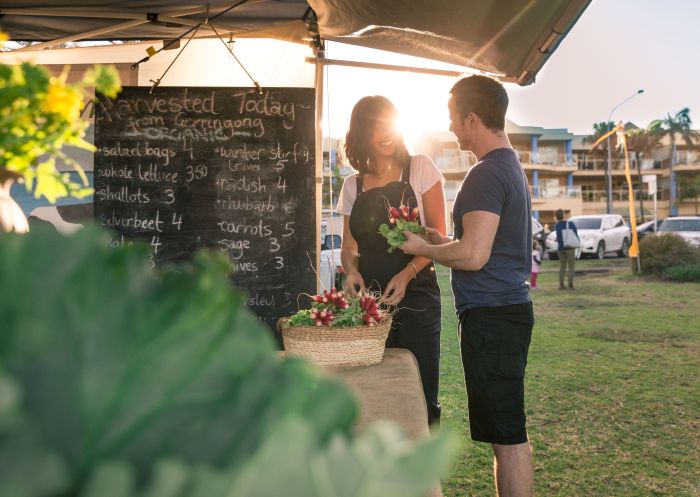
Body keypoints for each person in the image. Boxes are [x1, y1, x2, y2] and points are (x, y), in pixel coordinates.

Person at [401, 75, 534, 497]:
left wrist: (423, 247)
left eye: (454, 120)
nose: (452, 129)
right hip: (505, 313)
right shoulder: (508, 166)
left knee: (506, 437)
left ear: (473, 118)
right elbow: (482, 247)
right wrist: (442, 243)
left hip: (493, 318)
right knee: (507, 431)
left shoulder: (485, 173)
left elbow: (475, 256)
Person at [335, 95, 446, 425]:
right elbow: (348, 247)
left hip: (418, 294)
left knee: (420, 389)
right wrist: (350, 271)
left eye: (389, 123)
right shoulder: (352, 184)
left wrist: (407, 274)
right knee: (375, 390)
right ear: (360, 134)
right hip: (371, 303)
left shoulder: (421, 166)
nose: (384, 133)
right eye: (374, 126)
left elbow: (438, 236)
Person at [554, 208, 577, 290]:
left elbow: (558, 237)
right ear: (563, 215)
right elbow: (575, 233)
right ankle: (570, 285)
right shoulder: (570, 223)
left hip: (560, 248)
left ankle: (561, 285)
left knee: (562, 266)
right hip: (569, 247)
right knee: (571, 266)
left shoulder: (557, 225)